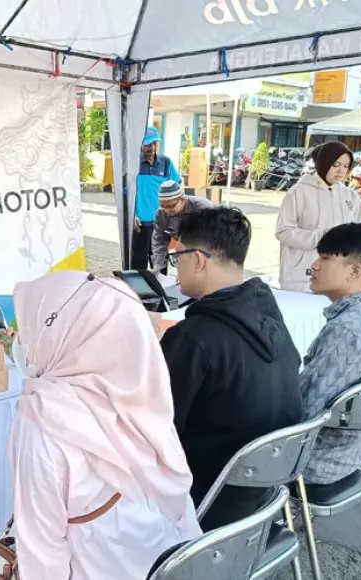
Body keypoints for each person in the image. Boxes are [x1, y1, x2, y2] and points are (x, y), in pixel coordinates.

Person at [0, 271, 201, 580]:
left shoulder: (44, 417)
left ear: (61, 336)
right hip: (173, 563)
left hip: (99, 569)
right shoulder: (142, 392)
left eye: (31, 328)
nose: (22, 340)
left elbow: (43, 554)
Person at [160, 207, 302, 531]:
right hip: (262, 497)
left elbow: (156, 433)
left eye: (177, 258)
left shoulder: (193, 337)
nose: (176, 269)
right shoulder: (269, 316)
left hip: (204, 503)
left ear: (198, 260)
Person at [300, 223, 361, 486]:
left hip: (316, 462)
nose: (314, 266)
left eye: (325, 258)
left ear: (355, 271)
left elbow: (303, 410)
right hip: (358, 452)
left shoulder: (347, 331)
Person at [276, 141, 361, 292]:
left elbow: (357, 229)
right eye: (336, 164)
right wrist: (321, 237)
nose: (341, 171)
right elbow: (283, 231)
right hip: (302, 276)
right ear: (324, 162)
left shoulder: (351, 196)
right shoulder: (298, 193)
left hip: (338, 277)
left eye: (346, 166)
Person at [132, 127, 182, 270]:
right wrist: (132, 214)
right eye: (148, 144)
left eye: (155, 143)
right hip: (140, 224)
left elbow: (177, 188)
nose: (152, 148)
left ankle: (159, 285)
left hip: (162, 224)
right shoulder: (133, 164)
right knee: (138, 267)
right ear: (141, 145)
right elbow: (125, 193)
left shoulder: (166, 163)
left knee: (160, 266)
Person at [150, 180, 213, 274]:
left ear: (182, 199)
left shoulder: (202, 208)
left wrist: (189, 267)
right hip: (185, 248)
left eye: (171, 206)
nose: (166, 210)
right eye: (163, 206)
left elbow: (208, 240)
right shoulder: (161, 213)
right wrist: (157, 265)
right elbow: (159, 240)